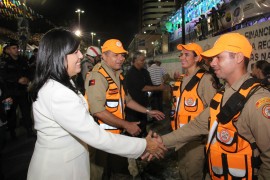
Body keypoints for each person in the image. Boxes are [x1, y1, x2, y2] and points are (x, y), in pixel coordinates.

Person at [27, 28, 167, 180]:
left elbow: (125, 100)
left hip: (77, 160)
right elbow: (96, 133)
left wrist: (146, 112)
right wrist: (143, 145)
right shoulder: (59, 93)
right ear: (58, 56)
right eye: (75, 52)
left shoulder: (63, 84)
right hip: (60, 170)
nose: (81, 56)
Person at [153, 33, 270, 179]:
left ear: (239, 58)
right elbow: (197, 125)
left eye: (219, 57)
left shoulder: (257, 101)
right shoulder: (223, 94)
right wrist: (160, 141)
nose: (212, 63)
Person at [84, 39, 165, 179]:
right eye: (116, 55)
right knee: (99, 174)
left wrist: (148, 111)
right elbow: (97, 110)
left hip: (116, 136)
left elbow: (127, 100)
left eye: (122, 55)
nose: (121, 58)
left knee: (121, 172)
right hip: (100, 138)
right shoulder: (97, 76)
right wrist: (126, 124)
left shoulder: (117, 74)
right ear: (103, 56)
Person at [170, 43, 217, 179]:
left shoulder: (206, 79)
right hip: (180, 135)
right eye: (181, 54)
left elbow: (213, 110)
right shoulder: (181, 79)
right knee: (183, 171)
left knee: (193, 174)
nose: (182, 58)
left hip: (196, 139)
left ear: (197, 58)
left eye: (186, 55)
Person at [125, 51, 166, 138]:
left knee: (143, 125)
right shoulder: (131, 73)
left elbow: (149, 85)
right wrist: (159, 88)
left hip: (143, 105)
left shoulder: (144, 71)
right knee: (135, 129)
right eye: (141, 60)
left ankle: (144, 139)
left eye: (144, 60)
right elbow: (144, 88)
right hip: (133, 107)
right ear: (134, 60)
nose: (144, 62)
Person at [0, 40, 34, 139]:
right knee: (11, 114)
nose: (16, 50)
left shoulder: (23, 60)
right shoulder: (4, 62)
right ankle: (12, 132)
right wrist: (17, 79)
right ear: (8, 51)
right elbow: (3, 76)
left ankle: (29, 130)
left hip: (22, 91)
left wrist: (27, 79)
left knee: (26, 111)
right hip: (10, 92)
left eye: (17, 48)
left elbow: (29, 72)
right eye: (13, 48)